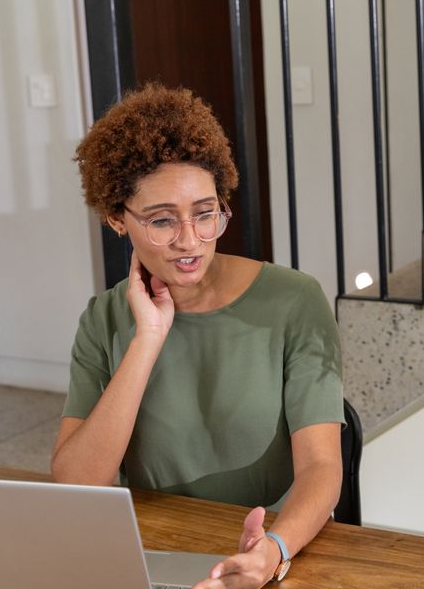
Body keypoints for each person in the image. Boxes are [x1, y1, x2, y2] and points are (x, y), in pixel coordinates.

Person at [51, 83, 344, 589]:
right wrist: (147, 337)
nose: (189, 241)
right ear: (116, 219)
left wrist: (272, 550)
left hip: (275, 554)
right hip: (156, 558)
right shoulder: (102, 319)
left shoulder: (294, 300)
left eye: (206, 214)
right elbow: (77, 483)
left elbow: (321, 467)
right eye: (162, 220)